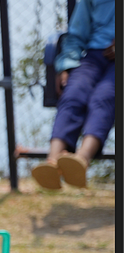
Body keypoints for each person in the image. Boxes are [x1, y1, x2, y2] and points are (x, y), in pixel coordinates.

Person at [32, 0, 115, 189]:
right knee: (74, 93)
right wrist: (66, 66)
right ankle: (52, 162)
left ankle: (81, 160)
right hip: (94, 56)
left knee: (104, 96)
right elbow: (76, 35)